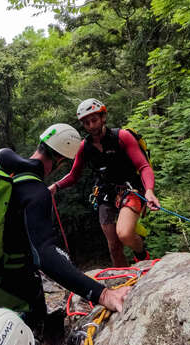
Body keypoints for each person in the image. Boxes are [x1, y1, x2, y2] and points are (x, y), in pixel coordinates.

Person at [0, 123, 131, 343]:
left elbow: (0, 154)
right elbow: (46, 256)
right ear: (59, 162)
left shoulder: (6, 170)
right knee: (28, 331)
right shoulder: (36, 193)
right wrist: (102, 294)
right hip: (14, 285)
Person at [49, 99, 161, 267]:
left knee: (124, 233)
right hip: (105, 193)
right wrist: (55, 186)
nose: (91, 125)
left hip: (131, 189)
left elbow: (143, 166)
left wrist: (149, 191)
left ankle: (143, 257)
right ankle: (122, 279)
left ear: (103, 117)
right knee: (114, 246)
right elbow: (74, 175)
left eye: (94, 120)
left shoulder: (122, 137)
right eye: (86, 123)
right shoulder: (84, 147)